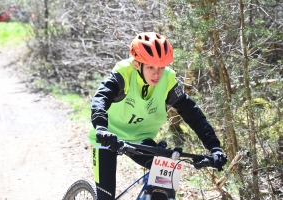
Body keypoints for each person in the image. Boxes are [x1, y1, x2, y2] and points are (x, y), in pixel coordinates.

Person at [88, 32, 227, 200]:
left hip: (142, 141)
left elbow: (192, 113)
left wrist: (214, 147)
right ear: (137, 64)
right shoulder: (124, 73)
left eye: (161, 67)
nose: (157, 74)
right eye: (150, 67)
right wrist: (101, 127)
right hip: (108, 138)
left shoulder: (167, 80)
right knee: (105, 198)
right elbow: (100, 98)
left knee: (164, 187)